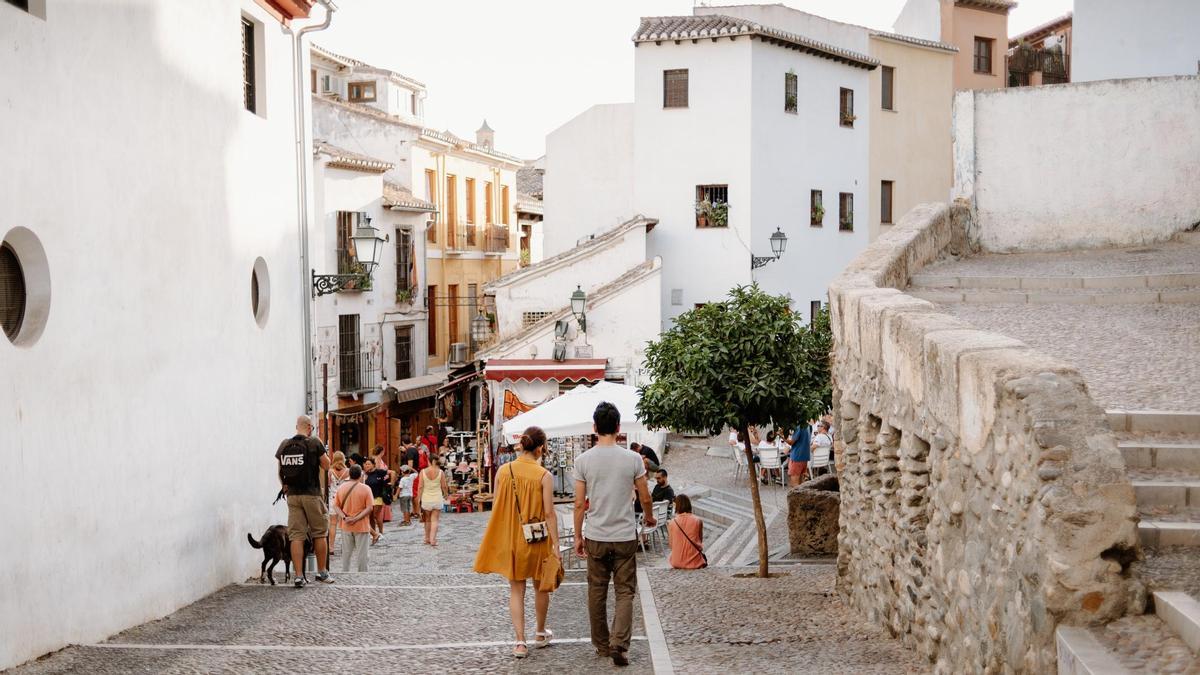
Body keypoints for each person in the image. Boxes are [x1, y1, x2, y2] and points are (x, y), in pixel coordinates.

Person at [573, 402, 655, 667]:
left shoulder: (583, 460)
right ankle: (619, 643)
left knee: (596, 590)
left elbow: (578, 504)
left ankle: (602, 644)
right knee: (624, 591)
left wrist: (577, 536)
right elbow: (644, 496)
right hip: (624, 536)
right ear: (619, 428)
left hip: (596, 534)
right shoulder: (632, 459)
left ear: (595, 428)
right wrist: (650, 516)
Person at [473, 426, 560, 659]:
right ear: (540, 448)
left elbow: (499, 505)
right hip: (538, 539)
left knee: (516, 589)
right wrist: (557, 545)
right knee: (541, 586)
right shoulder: (544, 476)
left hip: (513, 538)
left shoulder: (503, 471)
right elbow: (549, 513)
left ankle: (520, 642)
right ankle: (540, 633)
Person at [275, 415, 333, 587]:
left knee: (296, 536)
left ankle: (299, 576)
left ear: (296, 426)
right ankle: (322, 572)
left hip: (292, 495)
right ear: (309, 427)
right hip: (312, 494)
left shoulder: (285, 444)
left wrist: (285, 486)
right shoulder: (314, 442)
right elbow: (327, 465)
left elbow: (280, 470)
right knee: (320, 533)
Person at [333, 465, 373, 572]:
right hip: (361, 525)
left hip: (346, 525)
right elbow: (369, 508)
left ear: (349, 474)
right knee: (362, 555)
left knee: (346, 554)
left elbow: (335, 506)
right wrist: (356, 518)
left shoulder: (341, 488)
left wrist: (344, 517)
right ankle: (362, 575)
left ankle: (345, 573)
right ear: (360, 475)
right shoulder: (366, 489)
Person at [419, 451, 449, 546]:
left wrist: (418, 498)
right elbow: (444, 486)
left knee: (427, 520)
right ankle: (433, 539)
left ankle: (427, 538)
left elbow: (420, 486)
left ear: (429, 461)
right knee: (435, 520)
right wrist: (446, 494)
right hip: (437, 498)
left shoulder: (423, 472)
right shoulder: (441, 472)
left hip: (426, 499)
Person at [668, 495, 705, 570]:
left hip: (676, 562)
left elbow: (671, 545)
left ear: (677, 506)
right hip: (695, 562)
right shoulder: (698, 521)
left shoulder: (672, 523)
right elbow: (699, 541)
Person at [362, 458, 394, 545]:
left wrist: (392, 483)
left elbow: (392, 472)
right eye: (366, 464)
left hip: (378, 497)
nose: (367, 466)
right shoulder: (366, 474)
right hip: (369, 498)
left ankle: (381, 532)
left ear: (373, 465)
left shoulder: (379, 472)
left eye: (369, 464)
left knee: (376, 515)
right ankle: (374, 534)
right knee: (370, 517)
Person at [327, 452, 350, 557]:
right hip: (345, 499)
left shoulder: (330, 472)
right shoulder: (348, 471)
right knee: (344, 523)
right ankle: (345, 547)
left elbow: (328, 484)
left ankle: (331, 547)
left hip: (333, 499)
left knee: (333, 524)